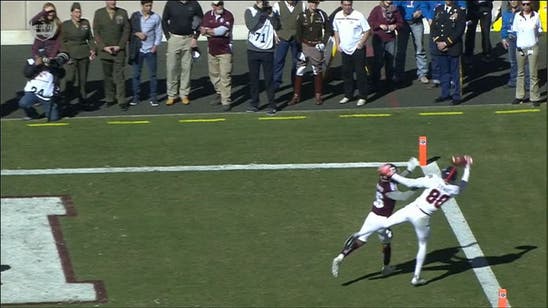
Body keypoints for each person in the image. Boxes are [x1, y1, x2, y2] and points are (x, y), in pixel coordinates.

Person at [377, 155, 472, 285]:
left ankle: (360, 238)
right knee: (422, 246)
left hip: (411, 209)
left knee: (383, 224)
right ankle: (416, 277)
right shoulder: (454, 190)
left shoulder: (433, 180)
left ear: (443, 174)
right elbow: (464, 183)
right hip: (424, 217)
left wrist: (392, 175)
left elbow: (409, 183)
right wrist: (467, 167)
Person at [331, 158, 420, 278]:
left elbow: (396, 180)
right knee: (386, 242)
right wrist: (418, 186)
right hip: (383, 220)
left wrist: (409, 170)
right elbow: (404, 197)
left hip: (372, 215)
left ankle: (340, 256)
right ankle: (386, 268)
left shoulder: (382, 181)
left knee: (361, 240)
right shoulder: (389, 189)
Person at [289, 0, 331, 106]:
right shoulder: (302, 15)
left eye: (316, 3)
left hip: (316, 46)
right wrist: (300, 50)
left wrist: (323, 43)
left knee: (317, 70)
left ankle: (318, 95)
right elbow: (298, 33)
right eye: (312, 2)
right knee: (300, 69)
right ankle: (296, 95)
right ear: (308, 3)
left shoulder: (322, 14)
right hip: (304, 45)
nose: (314, 5)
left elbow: (328, 30)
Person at [162, 0, 204, 106]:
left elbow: (201, 20)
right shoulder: (171, 3)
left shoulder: (194, 3)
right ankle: (171, 95)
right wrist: (168, 37)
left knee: (187, 68)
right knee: (171, 68)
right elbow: (164, 20)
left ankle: (184, 94)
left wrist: (195, 37)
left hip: (189, 39)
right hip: (174, 38)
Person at [244, 0, 281, 115]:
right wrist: (263, 13)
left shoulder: (272, 12)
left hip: (267, 51)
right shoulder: (250, 11)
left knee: (269, 79)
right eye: (261, 1)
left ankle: (272, 104)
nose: (263, 3)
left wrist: (272, 16)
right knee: (254, 79)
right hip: (253, 50)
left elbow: (277, 26)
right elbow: (252, 26)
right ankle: (254, 103)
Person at [93, 0, 131, 110]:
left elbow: (126, 30)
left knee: (120, 76)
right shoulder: (99, 13)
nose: (113, 2)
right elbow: (96, 32)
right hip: (105, 51)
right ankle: (110, 98)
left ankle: (122, 100)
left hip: (119, 50)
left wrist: (120, 45)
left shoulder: (122, 13)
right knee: (107, 76)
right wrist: (103, 47)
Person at [333, 0, 371, 107]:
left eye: (349, 5)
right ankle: (348, 95)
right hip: (345, 49)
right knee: (347, 73)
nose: (347, 7)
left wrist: (361, 43)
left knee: (360, 73)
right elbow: (336, 30)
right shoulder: (337, 16)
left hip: (357, 49)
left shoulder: (358, 15)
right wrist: (337, 44)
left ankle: (363, 96)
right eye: (345, 5)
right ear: (341, 5)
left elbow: (367, 30)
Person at [200, 0, 235, 112]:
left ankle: (226, 101)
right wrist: (209, 31)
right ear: (212, 6)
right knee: (214, 75)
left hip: (225, 50)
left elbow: (222, 31)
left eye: (221, 4)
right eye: (217, 4)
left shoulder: (228, 15)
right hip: (211, 50)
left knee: (225, 75)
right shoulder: (207, 15)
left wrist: (208, 30)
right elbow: (202, 31)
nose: (219, 6)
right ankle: (220, 93)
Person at [430, 0, 466, 105]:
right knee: (444, 72)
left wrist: (446, 43)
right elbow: (434, 27)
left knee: (455, 73)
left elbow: (459, 30)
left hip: (453, 47)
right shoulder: (439, 9)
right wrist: (438, 41)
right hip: (440, 47)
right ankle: (445, 93)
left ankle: (457, 96)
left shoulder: (460, 11)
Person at [60, 2, 96, 108]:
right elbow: (62, 41)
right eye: (76, 12)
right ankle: (67, 100)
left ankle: (83, 99)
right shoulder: (66, 25)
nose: (78, 14)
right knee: (70, 78)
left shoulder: (85, 23)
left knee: (83, 79)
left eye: (79, 12)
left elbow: (90, 38)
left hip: (84, 53)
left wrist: (93, 49)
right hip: (71, 54)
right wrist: (66, 55)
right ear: (71, 13)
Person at [128, 0, 163, 107]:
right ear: (142, 5)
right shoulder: (135, 17)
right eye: (147, 5)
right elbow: (128, 31)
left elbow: (159, 32)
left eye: (150, 5)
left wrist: (155, 46)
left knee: (152, 75)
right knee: (136, 74)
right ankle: (136, 97)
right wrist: (136, 34)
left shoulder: (156, 17)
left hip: (150, 51)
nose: (149, 8)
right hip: (138, 50)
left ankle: (153, 97)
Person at [18, 52, 70, 122]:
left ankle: (57, 108)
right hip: (33, 92)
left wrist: (51, 65)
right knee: (23, 103)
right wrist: (36, 65)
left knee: (53, 118)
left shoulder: (57, 68)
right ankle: (33, 114)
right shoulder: (32, 62)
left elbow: (61, 74)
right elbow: (27, 73)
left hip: (47, 96)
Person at [511, 0, 543, 106]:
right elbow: (515, 30)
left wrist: (533, 39)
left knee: (533, 73)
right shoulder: (517, 16)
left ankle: (535, 98)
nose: (525, 6)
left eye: (528, 4)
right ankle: (519, 96)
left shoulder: (536, 16)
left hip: (532, 47)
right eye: (523, 4)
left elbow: (539, 30)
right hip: (520, 48)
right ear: (521, 5)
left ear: (531, 5)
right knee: (520, 73)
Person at [368, 0, 404, 87]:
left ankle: (389, 81)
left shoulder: (395, 10)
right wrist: (379, 25)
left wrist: (395, 26)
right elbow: (370, 21)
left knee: (390, 60)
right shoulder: (377, 9)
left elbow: (400, 22)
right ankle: (375, 81)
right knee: (378, 60)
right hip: (379, 38)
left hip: (391, 38)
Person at [272, 1, 305, 91]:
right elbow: (273, 21)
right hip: (282, 37)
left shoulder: (302, 5)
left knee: (296, 61)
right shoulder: (277, 5)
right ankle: (276, 83)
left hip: (296, 38)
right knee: (279, 61)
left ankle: (295, 82)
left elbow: (304, 21)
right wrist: (275, 35)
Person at [394, 1, 430, 84]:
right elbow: (395, 5)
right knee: (401, 50)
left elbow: (425, 5)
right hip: (403, 23)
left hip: (416, 22)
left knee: (419, 48)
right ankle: (399, 74)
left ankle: (422, 74)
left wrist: (421, 12)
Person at [501, 0, 529, 89]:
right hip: (511, 39)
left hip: (521, 39)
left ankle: (528, 83)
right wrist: (504, 38)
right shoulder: (506, 13)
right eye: (511, 0)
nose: (513, 2)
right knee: (513, 61)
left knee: (525, 62)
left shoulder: (523, 12)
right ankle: (513, 80)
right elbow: (504, 26)